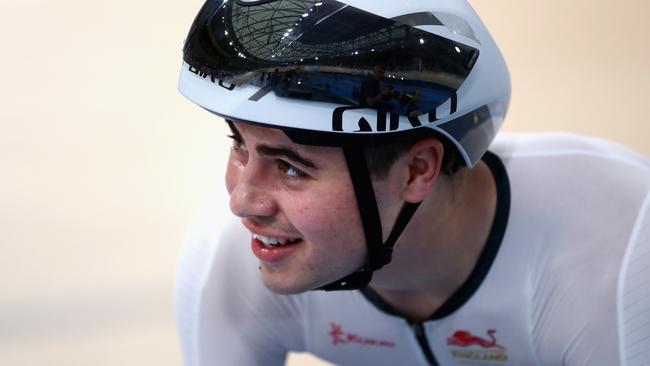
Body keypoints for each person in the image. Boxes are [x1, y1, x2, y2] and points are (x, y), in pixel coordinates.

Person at [175, 0, 650, 365]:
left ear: (418, 170)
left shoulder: (618, 249)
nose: (242, 202)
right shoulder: (231, 254)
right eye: (239, 145)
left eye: (290, 167)